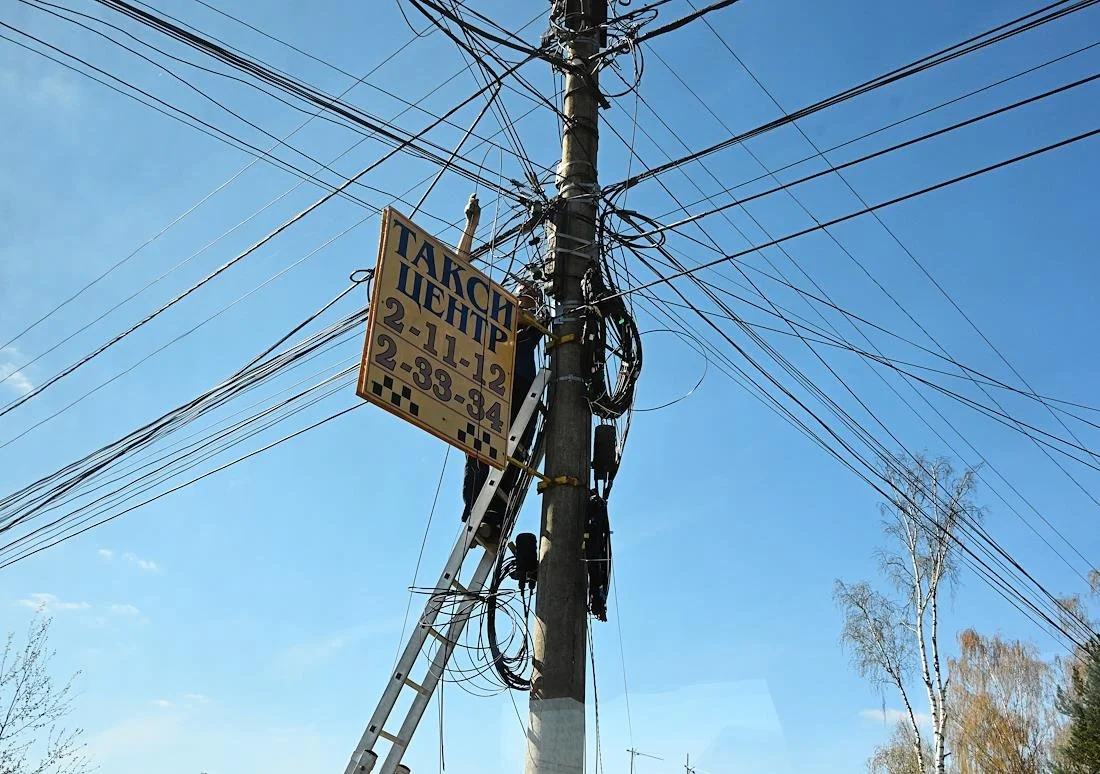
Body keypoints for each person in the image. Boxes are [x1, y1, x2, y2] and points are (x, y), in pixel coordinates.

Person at [461, 281, 544, 547]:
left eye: (531, 298)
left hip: (520, 385)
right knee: (478, 448)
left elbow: (534, 321)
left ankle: (494, 519)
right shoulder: (496, 321)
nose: (525, 302)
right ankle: (475, 513)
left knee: (514, 453)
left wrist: (529, 311)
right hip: (492, 381)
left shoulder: (534, 325)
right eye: (522, 297)